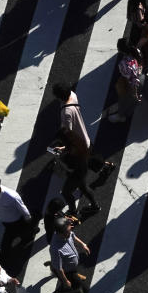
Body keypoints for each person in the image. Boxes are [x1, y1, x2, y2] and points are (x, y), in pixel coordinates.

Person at [51, 82, 114, 215]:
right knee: (89, 166)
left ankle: (75, 210)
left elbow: (68, 133)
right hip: (84, 139)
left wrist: (64, 147)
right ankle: (106, 166)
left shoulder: (66, 113)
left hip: (79, 154)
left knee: (71, 190)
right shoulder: (73, 96)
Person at [0, 174, 36, 267]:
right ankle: (30, 233)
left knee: (6, 243)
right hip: (5, 221)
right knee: (22, 233)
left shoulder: (12, 196)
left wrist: (28, 218)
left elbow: (22, 208)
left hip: (16, 221)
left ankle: (2, 263)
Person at [48, 216, 93, 293]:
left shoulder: (67, 234)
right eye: (69, 229)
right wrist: (65, 281)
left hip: (72, 269)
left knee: (73, 290)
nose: (71, 230)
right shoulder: (55, 248)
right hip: (68, 273)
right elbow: (59, 268)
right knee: (81, 292)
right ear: (60, 233)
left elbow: (73, 236)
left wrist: (83, 245)